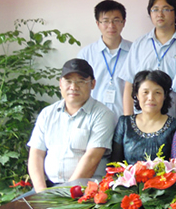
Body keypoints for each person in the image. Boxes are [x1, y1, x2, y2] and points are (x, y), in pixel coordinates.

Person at [27, 59, 117, 192]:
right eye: (68, 81)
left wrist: (62, 194)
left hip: (83, 190)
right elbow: (36, 154)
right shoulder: (47, 113)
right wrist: (41, 192)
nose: (73, 87)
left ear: (93, 84)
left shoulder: (103, 115)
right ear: (60, 84)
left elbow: (91, 159)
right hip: (47, 188)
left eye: (81, 81)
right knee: (13, 206)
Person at [118, 0, 176, 118]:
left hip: (173, 118)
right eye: (155, 10)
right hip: (141, 120)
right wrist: (128, 119)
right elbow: (129, 84)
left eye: (166, 9)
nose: (160, 14)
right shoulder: (139, 44)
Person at [111, 69, 176, 163]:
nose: (151, 98)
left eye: (157, 93)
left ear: (165, 96)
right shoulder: (124, 123)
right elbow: (114, 163)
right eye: (145, 92)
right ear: (137, 95)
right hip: (126, 173)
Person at [77, 0, 131, 119]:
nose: (111, 26)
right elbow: (79, 88)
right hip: (94, 119)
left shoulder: (135, 52)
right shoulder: (86, 54)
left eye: (116, 20)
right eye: (105, 21)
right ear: (98, 23)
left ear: (123, 22)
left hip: (126, 119)